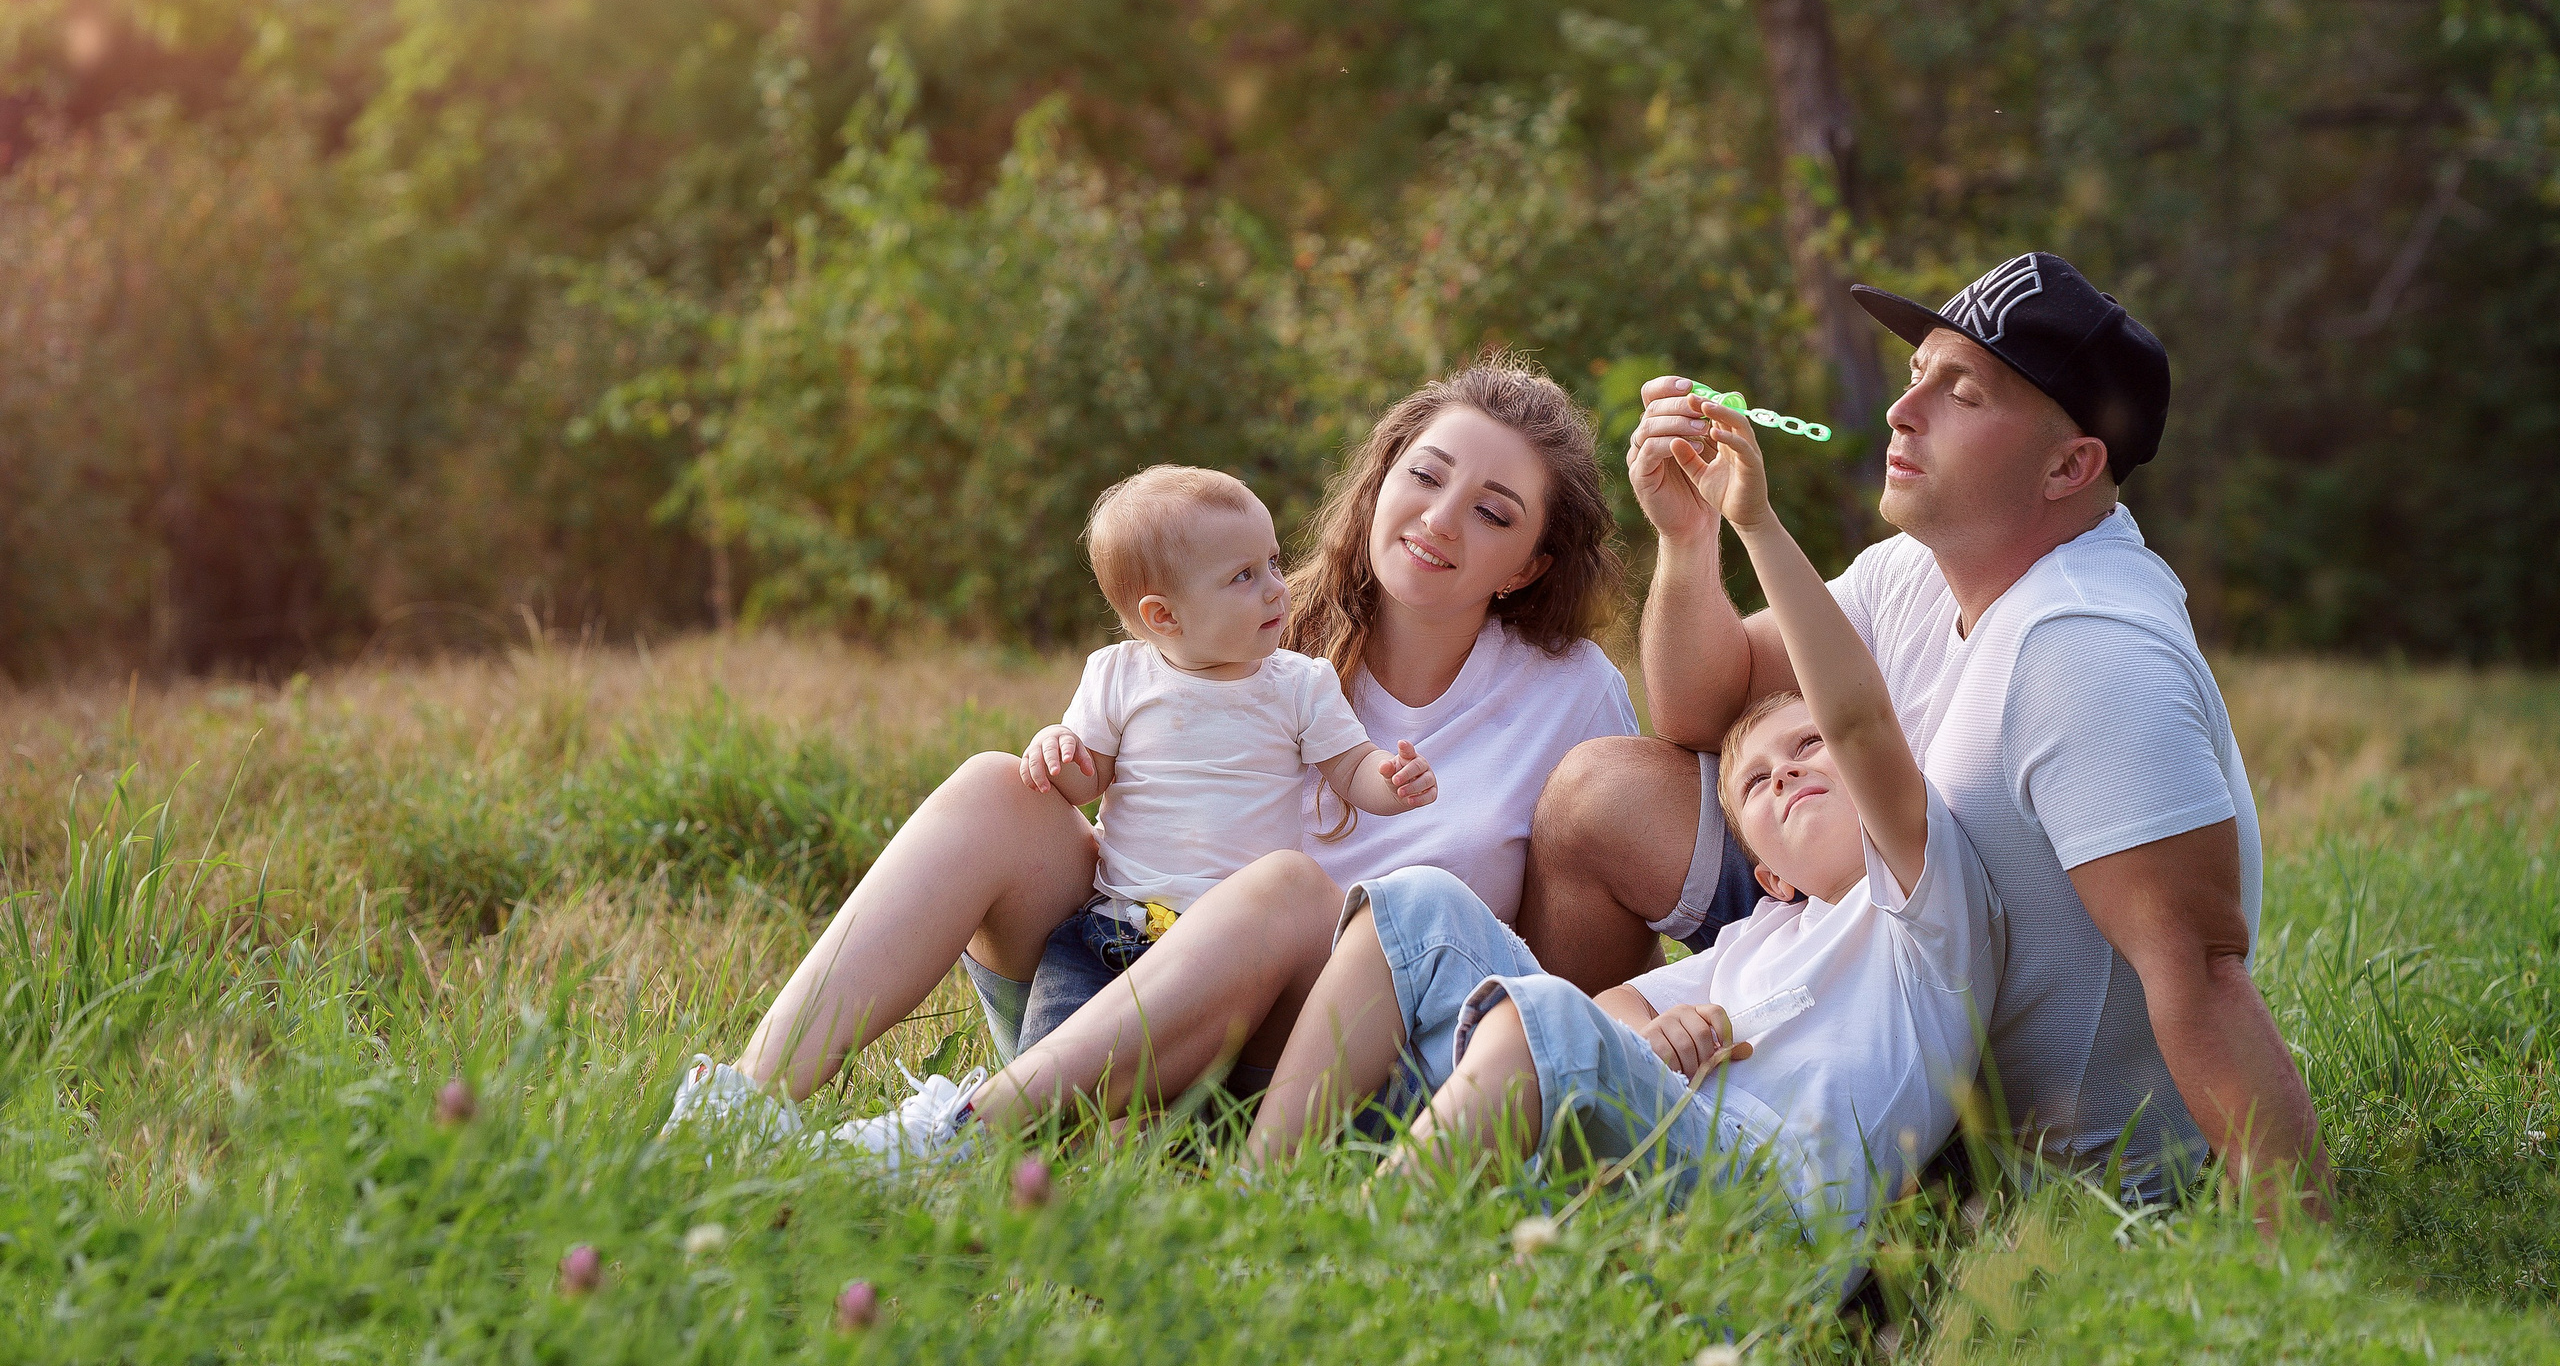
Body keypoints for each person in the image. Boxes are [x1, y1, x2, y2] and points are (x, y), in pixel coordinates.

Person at [1523, 252, 2330, 1221]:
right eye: (1916, 377)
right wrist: (1692, 538)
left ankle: (1583, 1138)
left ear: (2069, 464)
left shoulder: (2084, 645)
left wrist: (2299, 1267)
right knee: (1600, 793)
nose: (1905, 413)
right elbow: (1704, 708)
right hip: (1906, 1020)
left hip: (2042, 1166)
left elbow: (2201, 969)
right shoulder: (1925, 562)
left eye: (1963, 392)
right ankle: (1565, 1112)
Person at [666, 356, 1636, 1148]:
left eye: (1493, 510)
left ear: (1530, 564)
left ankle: (954, 1134)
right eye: (1425, 474)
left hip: (1332, 1069)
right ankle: (741, 1105)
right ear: (1382, 477)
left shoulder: (1569, 690)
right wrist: (1065, 763)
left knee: (1290, 887)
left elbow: (1580, 940)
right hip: (1132, 997)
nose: (1437, 515)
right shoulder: (1261, 618)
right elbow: (1141, 814)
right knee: (994, 787)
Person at [1241, 399, 2001, 1248]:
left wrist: (1751, 520)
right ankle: (1258, 1202)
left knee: (1551, 1025)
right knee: (1418, 902)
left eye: (1811, 746)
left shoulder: (1921, 893)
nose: (1785, 770)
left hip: (1774, 1207)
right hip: (1662, 1162)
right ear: (1769, 876)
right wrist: (1652, 1028)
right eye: (1753, 782)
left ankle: (1354, 1259)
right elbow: (1612, 1005)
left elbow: (1860, 717)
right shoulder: (1763, 939)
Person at [813, 465, 1439, 1154]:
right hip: (1105, 937)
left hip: (1226, 953)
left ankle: (1122, 1143)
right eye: (1242, 577)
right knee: (1053, 1076)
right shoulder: (1118, 676)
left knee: (1162, 1091)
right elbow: (1089, 781)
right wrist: (1058, 748)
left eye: (1271, 563)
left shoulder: (1299, 683)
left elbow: (1349, 768)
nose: (1273, 589)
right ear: (1161, 616)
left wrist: (1391, 779)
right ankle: (993, 1148)